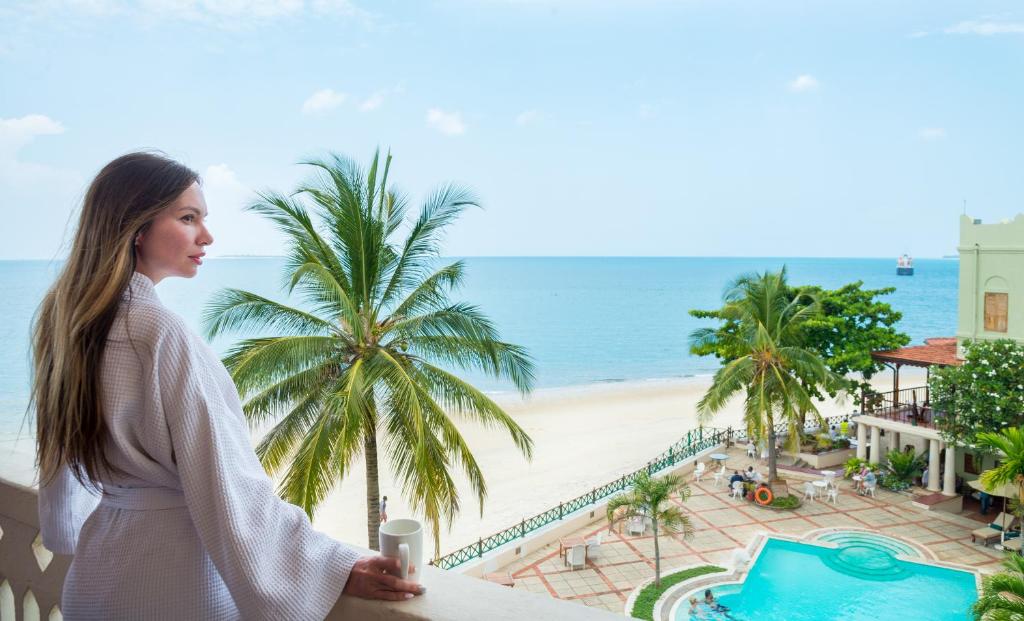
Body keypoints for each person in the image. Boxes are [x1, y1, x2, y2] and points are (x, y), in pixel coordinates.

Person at [33, 153, 423, 620]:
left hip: (97, 576)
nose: (206, 236)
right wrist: (333, 564)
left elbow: (57, 465)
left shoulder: (68, 324)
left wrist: (62, 526)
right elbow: (227, 486)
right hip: (173, 585)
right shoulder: (158, 332)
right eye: (187, 218)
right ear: (135, 227)